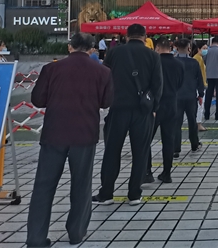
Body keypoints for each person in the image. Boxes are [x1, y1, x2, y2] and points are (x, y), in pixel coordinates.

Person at [27, 33, 113, 247]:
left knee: (43, 185)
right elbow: (106, 102)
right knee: (81, 184)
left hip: (54, 133)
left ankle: (36, 237)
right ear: (92, 49)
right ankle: (76, 232)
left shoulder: (51, 69)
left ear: (69, 47)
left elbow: (38, 99)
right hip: (85, 133)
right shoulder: (103, 71)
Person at [93, 24, 163, 206]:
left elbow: (104, 78)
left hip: (118, 108)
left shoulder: (114, 53)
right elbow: (158, 85)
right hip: (143, 111)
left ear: (126, 36)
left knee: (112, 151)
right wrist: (153, 107)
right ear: (145, 37)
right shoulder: (153, 56)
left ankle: (106, 193)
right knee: (140, 152)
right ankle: (134, 194)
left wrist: (105, 101)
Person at [145, 37, 184, 184]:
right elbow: (180, 83)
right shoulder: (179, 64)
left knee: (146, 139)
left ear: (157, 48)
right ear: (170, 47)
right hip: (172, 104)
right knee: (168, 140)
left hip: (155, 105)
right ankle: (167, 173)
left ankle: (147, 172)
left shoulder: (153, 62)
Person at [174, 39, 206, 157]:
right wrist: (201, 94)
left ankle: (176, 149)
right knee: (192, 121)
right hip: (191, 96)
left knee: (176, 123)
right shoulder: (194, 62)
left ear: (177, 48)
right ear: (189, 48)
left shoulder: (173, 62)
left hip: (176, 97)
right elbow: (200, 79)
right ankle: (194, 144)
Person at [193, 42, 208, 132]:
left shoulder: (199, 58)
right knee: (200, 105)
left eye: (206, 48)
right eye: (204, 48)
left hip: (201, 84)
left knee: (200, 106)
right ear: (199, 49)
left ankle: (198, 123)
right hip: (199, 85)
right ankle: (198, 124)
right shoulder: (197, 59)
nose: (206, 50)